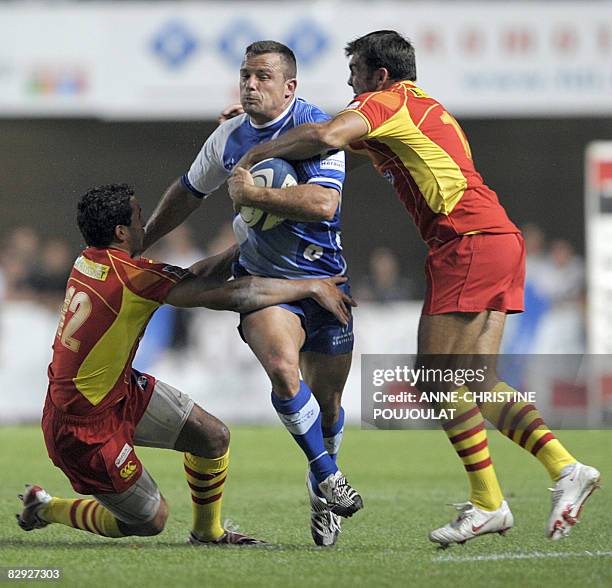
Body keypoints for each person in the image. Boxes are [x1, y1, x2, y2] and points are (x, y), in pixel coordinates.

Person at [230, 30, 600, 546]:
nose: (350, 87)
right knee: (475, 382)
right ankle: (531, 483)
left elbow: (326, 137)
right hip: (493, 237)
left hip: (467, 241)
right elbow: (340, 152)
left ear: (379, 75)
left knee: (434, 381)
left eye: (355, 75)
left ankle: (525, 485)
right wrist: (268, 136)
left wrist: (258, 150)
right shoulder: (422, 108)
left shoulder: (387, 101)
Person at [16, 183, 355, 546]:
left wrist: (245, 246)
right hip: (81, 427)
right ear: (120, 233)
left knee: (212, 437)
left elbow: (188, 279)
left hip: (117, 390)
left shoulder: (93, 260)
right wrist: (310, 286)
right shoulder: (131, 278)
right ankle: (45, 507)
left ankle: (207, 533)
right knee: (150, 520)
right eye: (139, 220)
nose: (145, 226)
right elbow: (236, 295)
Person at [141, 40, 363, 548]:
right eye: (245, 75)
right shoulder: (229, 136)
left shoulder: (316, 131)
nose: (250, 85)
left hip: (325, 280)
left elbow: (324, 204)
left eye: (263, 76)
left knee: (328, 406)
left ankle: (319, 486)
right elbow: (188, 191)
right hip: (262, 282)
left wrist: (254, 196)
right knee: (284, 370)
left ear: (290, 87)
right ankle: (328, 475)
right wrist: (143, 239)